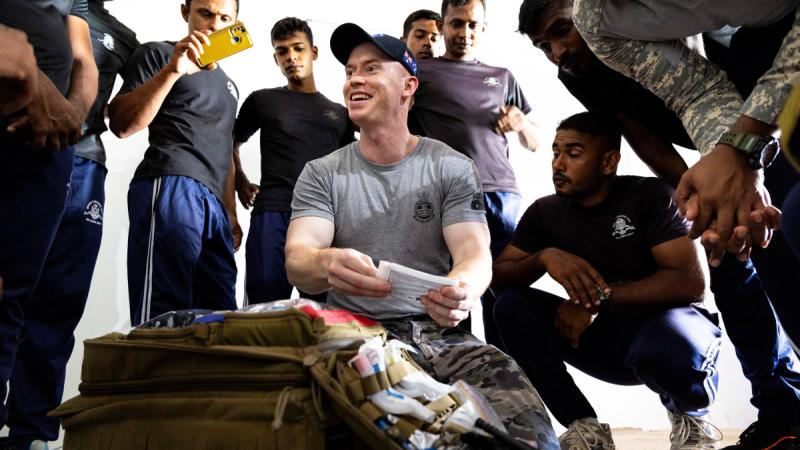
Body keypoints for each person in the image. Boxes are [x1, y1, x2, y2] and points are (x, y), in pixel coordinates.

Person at [284, 22, 558, 449]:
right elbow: (300, 256)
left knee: (533, 438)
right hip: (358, 340)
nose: (354, 78)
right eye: (350, 70)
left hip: (443, 337)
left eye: (371, 69)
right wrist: (325, 263)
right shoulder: (322, 173)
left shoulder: (451, 166)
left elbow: (474, 253)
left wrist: (464, 288)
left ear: (408, 85)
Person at [493, 112, 724, 450]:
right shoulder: (545, 213)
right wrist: (545, 257)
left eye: (573, 154)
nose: (558, 164)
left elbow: (689, 284)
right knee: (510, 307)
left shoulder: (650, 196)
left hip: (673, 336)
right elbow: (499, 278)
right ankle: (585, 429)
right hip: (608, 343)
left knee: (665, 339)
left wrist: (595, 300)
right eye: (555, 152)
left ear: (608, 162)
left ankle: (691, 419)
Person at [4, 1, 138, 447]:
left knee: (54, 302)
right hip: (24, 130)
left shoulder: (115, 31)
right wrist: (40, 92)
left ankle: (33, 432)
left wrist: (72, 117)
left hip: (75, 158)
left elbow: (113, 107)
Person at [409, 0, 539, 345]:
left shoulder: (503, 76)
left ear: (483, 28)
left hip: (502, 196)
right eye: (456, 24)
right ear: (443, 25)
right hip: (449, 197)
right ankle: (461, 379)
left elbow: (536, 141)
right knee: (453, 295)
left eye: (472, 25)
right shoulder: (422, 74)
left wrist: (521, 123)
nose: (464, 33)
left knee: (503, 294)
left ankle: (509, 383)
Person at [109, 0, 240, 326]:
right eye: (205, 13)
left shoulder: (231, 87)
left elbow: (224, 150)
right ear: (186, 13)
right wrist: (172, 70)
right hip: (171, 183)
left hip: (215, 208)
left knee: (221, 323)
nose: (214, 25)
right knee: (162, 316)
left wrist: (232, 213)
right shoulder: (158, 53)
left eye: (225, 18)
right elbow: (122, 123)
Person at [0, 0, 94, 447]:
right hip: (12, 110)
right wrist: (31, 79)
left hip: (50, 146)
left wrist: (71, 115)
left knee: (13, 298)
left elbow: (83, 60)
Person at [233, 17, 354, 305]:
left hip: (323, 219)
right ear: (276, 58)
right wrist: (240, 179)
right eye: (282, 51)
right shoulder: (262, 101)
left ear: (314, 52)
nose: (291, 57)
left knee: (323, 314)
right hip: (272, 212)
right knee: (263, 312)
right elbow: (229, 142)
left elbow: (353, 169)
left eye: (298, 48)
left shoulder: (339, 113)